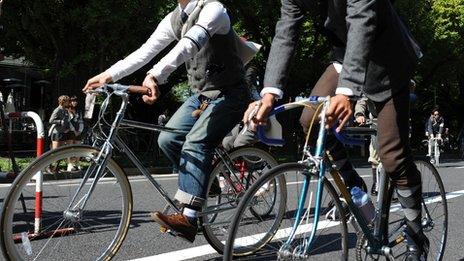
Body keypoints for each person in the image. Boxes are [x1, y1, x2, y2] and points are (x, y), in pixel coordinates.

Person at [243, 0, 427, 259]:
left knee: (392, 155)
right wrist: (270, 93)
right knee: (310, 120)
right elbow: (285, 31)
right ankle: (356, 191)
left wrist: (346, 91)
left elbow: (362, 19)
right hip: (345, 56)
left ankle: (416, 235)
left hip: (388, 59)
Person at [83, 0, 250, 242]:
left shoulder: (215, 9)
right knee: (168, 139)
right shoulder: (175, 18)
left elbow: (190, 44)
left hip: (231, 93)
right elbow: (145, 51)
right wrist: (108, 75)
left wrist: (155, 75)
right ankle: (207, 181)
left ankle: (189, 218)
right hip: (202, 95)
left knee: (195, 142)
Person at [354, 96, 380, 196]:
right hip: (375, 121)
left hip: (393, 119)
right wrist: (359, 114)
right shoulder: (369, 82)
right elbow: (362, 101)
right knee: (374, 155)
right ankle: (376, 182)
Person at [66, 96, 84, 171]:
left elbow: (81, 121)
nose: (74, 102)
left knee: (78, 147)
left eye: (76, 101)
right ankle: (70, 164)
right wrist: (74, 130)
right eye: (73, 101)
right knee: (70, 148)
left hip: (78, 131)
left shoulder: (79, 111)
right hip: (70, 131)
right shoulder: (67, 110)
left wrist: (80, 130)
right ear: (70, 102)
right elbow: (68, 122)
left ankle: (77, 162)